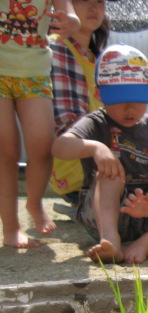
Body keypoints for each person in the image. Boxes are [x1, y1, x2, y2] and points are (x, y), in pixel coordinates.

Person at [52, 43, 148, 263]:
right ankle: (110, 240)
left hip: (144, 211)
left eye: (138, 100)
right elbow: (60, 147)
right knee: (110, 174)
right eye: (119, 100)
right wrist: (95, 147)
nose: (130, 108)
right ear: (99, 94)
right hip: (102, 216)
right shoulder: (96, 123)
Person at [0, 0, 80, 248]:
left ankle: (34, 202)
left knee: (43, 146)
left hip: (35, 73)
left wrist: (71, 22)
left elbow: (70, 14)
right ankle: (11, 227)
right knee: (6, 152)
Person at [49, 0, 111, 205]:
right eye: (84, 0)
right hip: (79, 170)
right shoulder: (58, 47)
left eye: (99, 1)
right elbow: (69, 124)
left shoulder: (99, 57)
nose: (94, 7)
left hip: (99, 163)